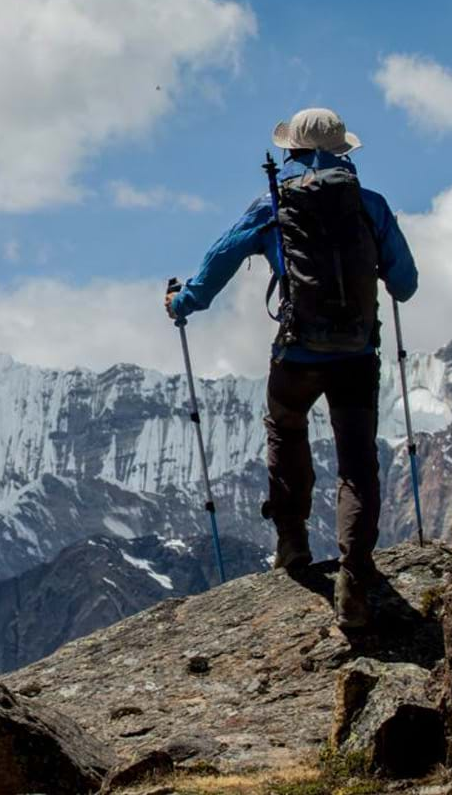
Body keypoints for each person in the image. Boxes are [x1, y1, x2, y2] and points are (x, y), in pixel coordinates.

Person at [165, 106, 417, 628]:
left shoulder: (273, 206)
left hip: (298, 353)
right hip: (356, 355)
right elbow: (406, 284)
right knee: (357, 464)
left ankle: (293, 541)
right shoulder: (371, 206)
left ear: (290, 152)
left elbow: (214, 270)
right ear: (344, 151)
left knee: (284, 426)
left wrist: (180, 302)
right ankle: (354, 574)